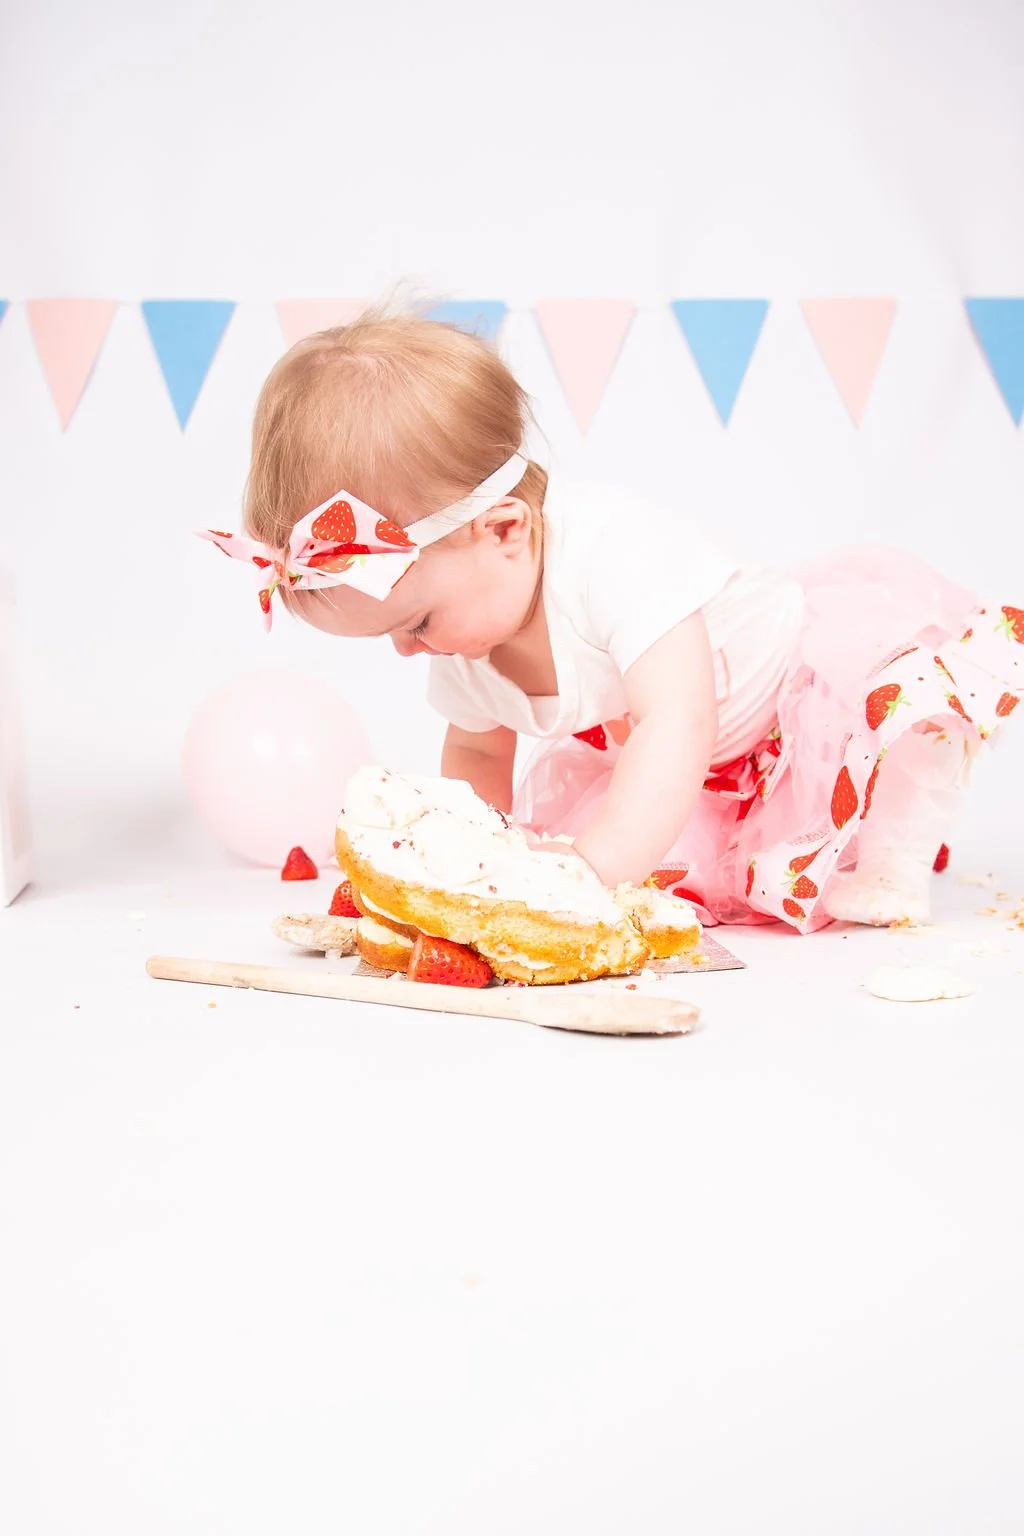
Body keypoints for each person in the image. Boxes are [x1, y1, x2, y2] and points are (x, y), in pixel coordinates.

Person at [200, 304, 1023, 931]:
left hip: (793, 681)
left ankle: (895, 854)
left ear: (506, 530)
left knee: (903, 714)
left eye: (413, 623)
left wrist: (594, 876)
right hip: (699, 759)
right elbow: (478, 750)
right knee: (669, 855)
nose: (413, 654)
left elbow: (677, 718)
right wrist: (468, 864)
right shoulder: (468, 630)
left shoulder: (616, 553)